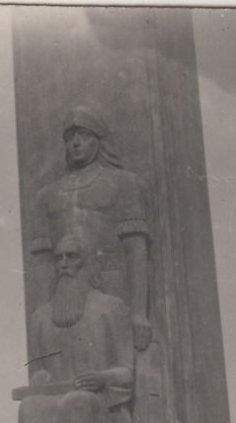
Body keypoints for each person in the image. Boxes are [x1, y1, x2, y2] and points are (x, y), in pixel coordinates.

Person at [17, 234, 135, 423]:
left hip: (100, 400)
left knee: (79, 402)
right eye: (58, 258)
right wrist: (40, 377)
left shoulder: (109, 308)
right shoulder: (41, 318)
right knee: (30, 408)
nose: (64, 264)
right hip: (54, 397)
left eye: (72, 257)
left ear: (88, 263)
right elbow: (37, 370)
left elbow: (127, 372)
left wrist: (103, 377)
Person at [30, 106, 153, 353]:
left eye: (83, 135)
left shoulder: (124, 184)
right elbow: (43, 263)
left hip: (112, 285)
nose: (75, 143)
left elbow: (135, 251)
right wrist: (42, 317)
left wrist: (139, 315)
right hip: (64, 294)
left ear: (98, 139)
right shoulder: (47, 196)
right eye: (69, 137)